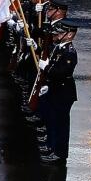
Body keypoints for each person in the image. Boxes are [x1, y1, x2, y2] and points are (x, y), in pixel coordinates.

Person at [37, 20, 79, 164]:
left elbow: (61, 73)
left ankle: (59, 153)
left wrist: (46, 68)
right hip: (55, 89)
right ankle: (51, 146)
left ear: (69, 35)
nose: (57, 34)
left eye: (61, 33)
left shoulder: (69, 53)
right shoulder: (60, 48)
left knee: (60, 124)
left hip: (63, 92)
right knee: (52, 120)